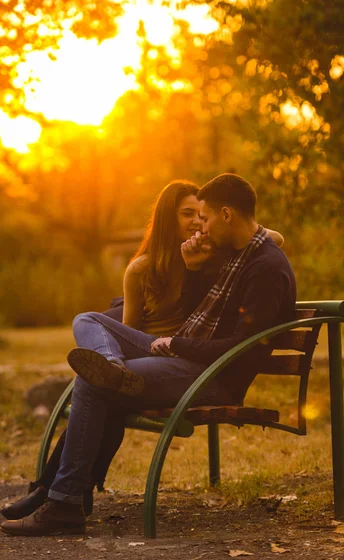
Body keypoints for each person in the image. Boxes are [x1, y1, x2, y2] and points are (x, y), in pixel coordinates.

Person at [0, 176, 286, 528]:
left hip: (213, 377)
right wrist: (194, 273)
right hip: (190, 361)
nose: (202, 226)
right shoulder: (235, 256)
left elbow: (243, 346)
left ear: (226, 215)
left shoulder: (263, 266)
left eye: (206, 218)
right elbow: (210, 318)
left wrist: (178, 343)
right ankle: (64, 496)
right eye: (193, 216)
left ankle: (63, 503)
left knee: (95, 382)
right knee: (89, 328)